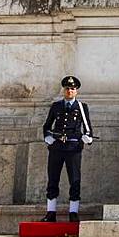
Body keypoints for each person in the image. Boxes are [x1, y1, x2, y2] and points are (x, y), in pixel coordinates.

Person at [41, 75, 93, 223]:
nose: (70, 91)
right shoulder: (56, 106)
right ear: (64, 90)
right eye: (67, 88)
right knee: (53, 179)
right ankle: (51, 212)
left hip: (73, 148)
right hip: (57, 147)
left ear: (76, 91)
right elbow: (47, 126)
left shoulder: (82, 107)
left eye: (73, 89)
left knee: (74, 179)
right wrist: (47, 137)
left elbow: (88, 128)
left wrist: (87, 138)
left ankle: (73, 212)